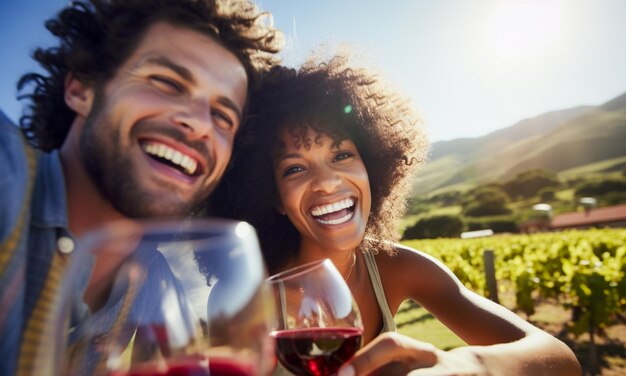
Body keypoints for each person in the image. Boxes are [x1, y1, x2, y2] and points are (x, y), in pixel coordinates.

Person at [211, 53, 582, 375]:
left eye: (342, 155)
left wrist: (467, 366)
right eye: (294, 168)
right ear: (272, 198)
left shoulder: (394, 267)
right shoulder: (246, 300)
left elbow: (560, 359)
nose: (327, 183)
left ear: (372, 166)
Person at [0, 0, 283, 374]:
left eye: (222, 116)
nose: (200, 124)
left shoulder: (161, 292)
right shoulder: (9, 174)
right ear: (80, 88)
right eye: (166, 83)